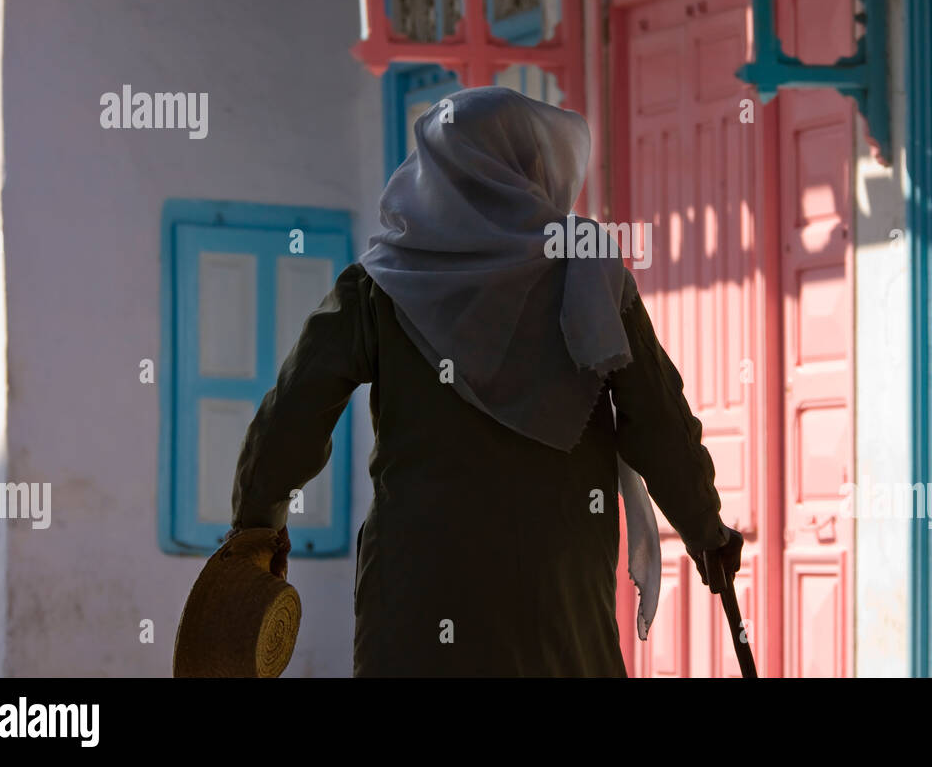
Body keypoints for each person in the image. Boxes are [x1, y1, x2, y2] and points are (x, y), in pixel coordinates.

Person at [225, 85, 743, 676]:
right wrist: (706, 532)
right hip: (556, 593)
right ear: (533, 169)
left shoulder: (380, 286)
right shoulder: (589, 273)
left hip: (417, 592)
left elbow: (292, 415)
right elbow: (657, 424)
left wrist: (256, 530)